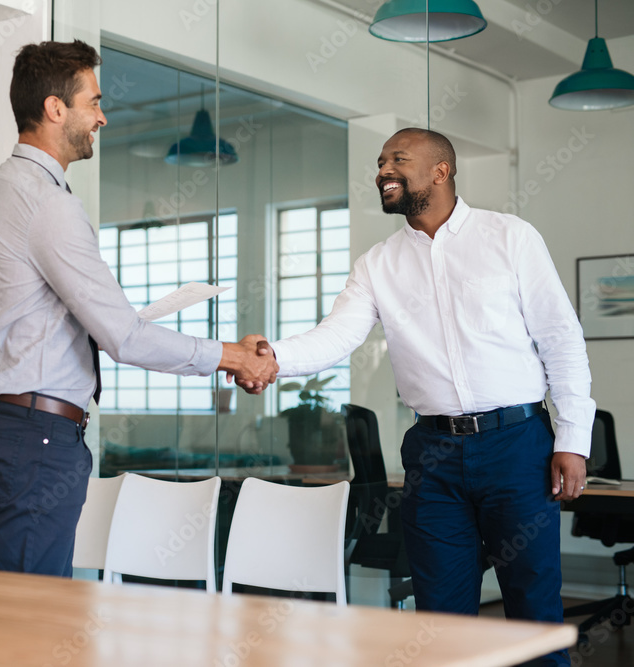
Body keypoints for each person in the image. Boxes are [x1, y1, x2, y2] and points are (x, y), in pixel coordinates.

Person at [252, 128, 593, 667]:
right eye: (380, 161)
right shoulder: (377, 264)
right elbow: (335, 337)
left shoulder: (510, 237)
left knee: (533, 608)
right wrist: (271, 357)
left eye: (398, 159)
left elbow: (561, 340)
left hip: (518, 445)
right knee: (439, 617)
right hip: (433, 455)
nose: (383, 171)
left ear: (441, 171)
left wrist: (573, 439)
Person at [0, 40, 277, 578]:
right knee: (33, 608)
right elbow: (124, 338)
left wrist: (60, 327)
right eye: (94, 102)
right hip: (37, 435)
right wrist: (235, 356)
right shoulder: (49, 203)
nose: (102, 117)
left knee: (21, 598)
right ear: (56, 108)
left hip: (4, 424)